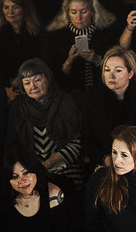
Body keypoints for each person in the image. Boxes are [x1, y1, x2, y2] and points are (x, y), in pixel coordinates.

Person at [7, 58, 83, 189]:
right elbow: (13, 146)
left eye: (37, 80)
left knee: (58, 189)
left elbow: (77, 143)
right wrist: (30, 170)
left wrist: (45, 166)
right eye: (27, 83)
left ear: (47, 78)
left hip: (65, 166)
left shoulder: (65, 100)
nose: (33, 86)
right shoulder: (18, 106)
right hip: (30, 169)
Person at [82, 46, 136, 169]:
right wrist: (105, 159)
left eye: (118, 71)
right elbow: (87, 137)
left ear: (130, 73)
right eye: (107, 70)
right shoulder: (93, 96)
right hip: (103, 161)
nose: (111, 75)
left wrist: (132, 160)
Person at [42, 0, 118, 94]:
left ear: (93, 11)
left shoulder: (106, 33)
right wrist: (68, 62)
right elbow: (52, 78)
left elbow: (118, 70)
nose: (79, 17)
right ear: (67, 13)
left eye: (84, 11)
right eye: (74, 12)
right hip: (69, 94)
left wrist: (98, 60)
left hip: (104, 92)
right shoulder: (55, 37)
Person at [0, 0, 41, 98]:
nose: (10, 12)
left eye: (15, 7)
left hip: (35, 84)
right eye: (6, 7)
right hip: (8, 87)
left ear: (25, 8)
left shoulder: (38, 31)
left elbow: (42, 63)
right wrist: (5, 87)